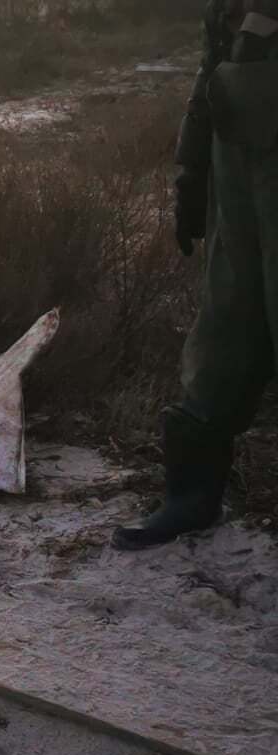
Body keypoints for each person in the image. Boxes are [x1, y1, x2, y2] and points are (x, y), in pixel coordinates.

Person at [115, 0, 278, 550]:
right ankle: (192, 497)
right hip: (240, 188)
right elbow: (212, 68)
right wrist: (190, 173)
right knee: (224, 336)